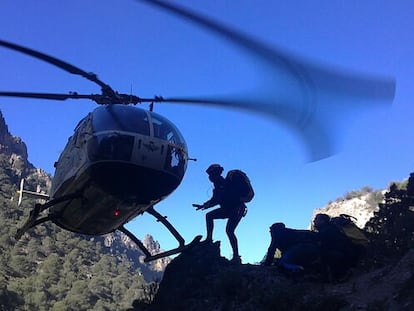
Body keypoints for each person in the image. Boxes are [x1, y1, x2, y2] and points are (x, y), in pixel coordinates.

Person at [195, 164, 253, 264]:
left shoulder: (227, 183)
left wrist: (205, 205)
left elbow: (216, 200)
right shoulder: (218, 186)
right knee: (211, 217)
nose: (210, 177)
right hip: (229, 209)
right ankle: (209, 239)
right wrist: (203, 206)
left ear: (216, 174)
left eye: (211, 175)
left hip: (236, 209)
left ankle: (236, 256)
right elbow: (215, 200)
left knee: (229, 230)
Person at [313, 213, 359, 280]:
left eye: (316, 219)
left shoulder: (328, 230)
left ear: (323, 221)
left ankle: (339, 276)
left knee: (323, 255)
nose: (314, 221)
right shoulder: (331, 229)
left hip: (345, 256)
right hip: (348, 254)